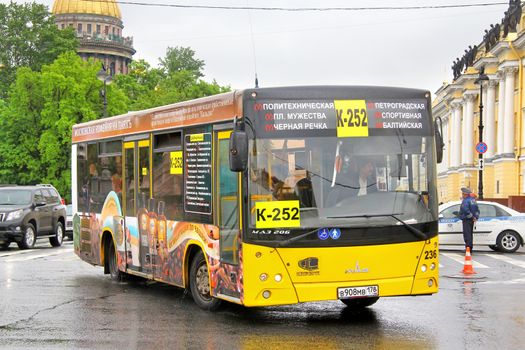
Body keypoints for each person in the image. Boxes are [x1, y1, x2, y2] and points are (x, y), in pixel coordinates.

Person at [459, 187, 479, 252]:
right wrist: (475, 217)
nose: (462, 195)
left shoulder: (465, 201)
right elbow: (477, 210)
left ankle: (468, 248)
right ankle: (470, 247)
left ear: (465, 194)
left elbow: (465, 210)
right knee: (470, 233)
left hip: (467, 219)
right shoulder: (473, 200)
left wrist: (471, 217)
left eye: (462, 194)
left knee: (467, 234)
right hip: (472, 220)